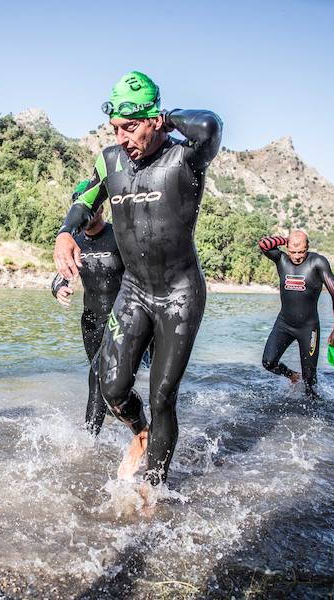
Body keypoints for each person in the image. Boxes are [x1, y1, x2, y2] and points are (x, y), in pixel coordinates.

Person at [53, 71, 222, 492]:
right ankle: (141, 433)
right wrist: (65, 233)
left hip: (179, 293)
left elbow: (210, 125)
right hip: (135, 289)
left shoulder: (186, 158)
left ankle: (154, 488)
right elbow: (82, 200)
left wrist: (168, 117)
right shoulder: (109, 161)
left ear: (154, 120)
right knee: (110, 384)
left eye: (130, 127)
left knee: (163, 394)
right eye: (115, 129)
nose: (122, 137)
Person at [51, 181, 152, 436]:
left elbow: (145, 275)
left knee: (97, 374)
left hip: (123, 319)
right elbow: (58, 277)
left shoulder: (118, 234)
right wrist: (58, 288)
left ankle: (89, 441)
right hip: (91, 322)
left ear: (101, 208)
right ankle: (136, 424)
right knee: (105, 389)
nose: (87, 215)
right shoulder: (74, 241)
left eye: (91, 208)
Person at [258, 231, 334, 397]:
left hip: (309, 328)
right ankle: (292, 376)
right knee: (268, 362)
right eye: (293, 251)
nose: (296, 256)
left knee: (310, 382)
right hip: (284, 324)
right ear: (287, 248)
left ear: (308, 247)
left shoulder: (318, 262)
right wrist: (286, 239)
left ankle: (315, 415)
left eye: (301, 252)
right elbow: (263, 244)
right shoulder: (281, 259)